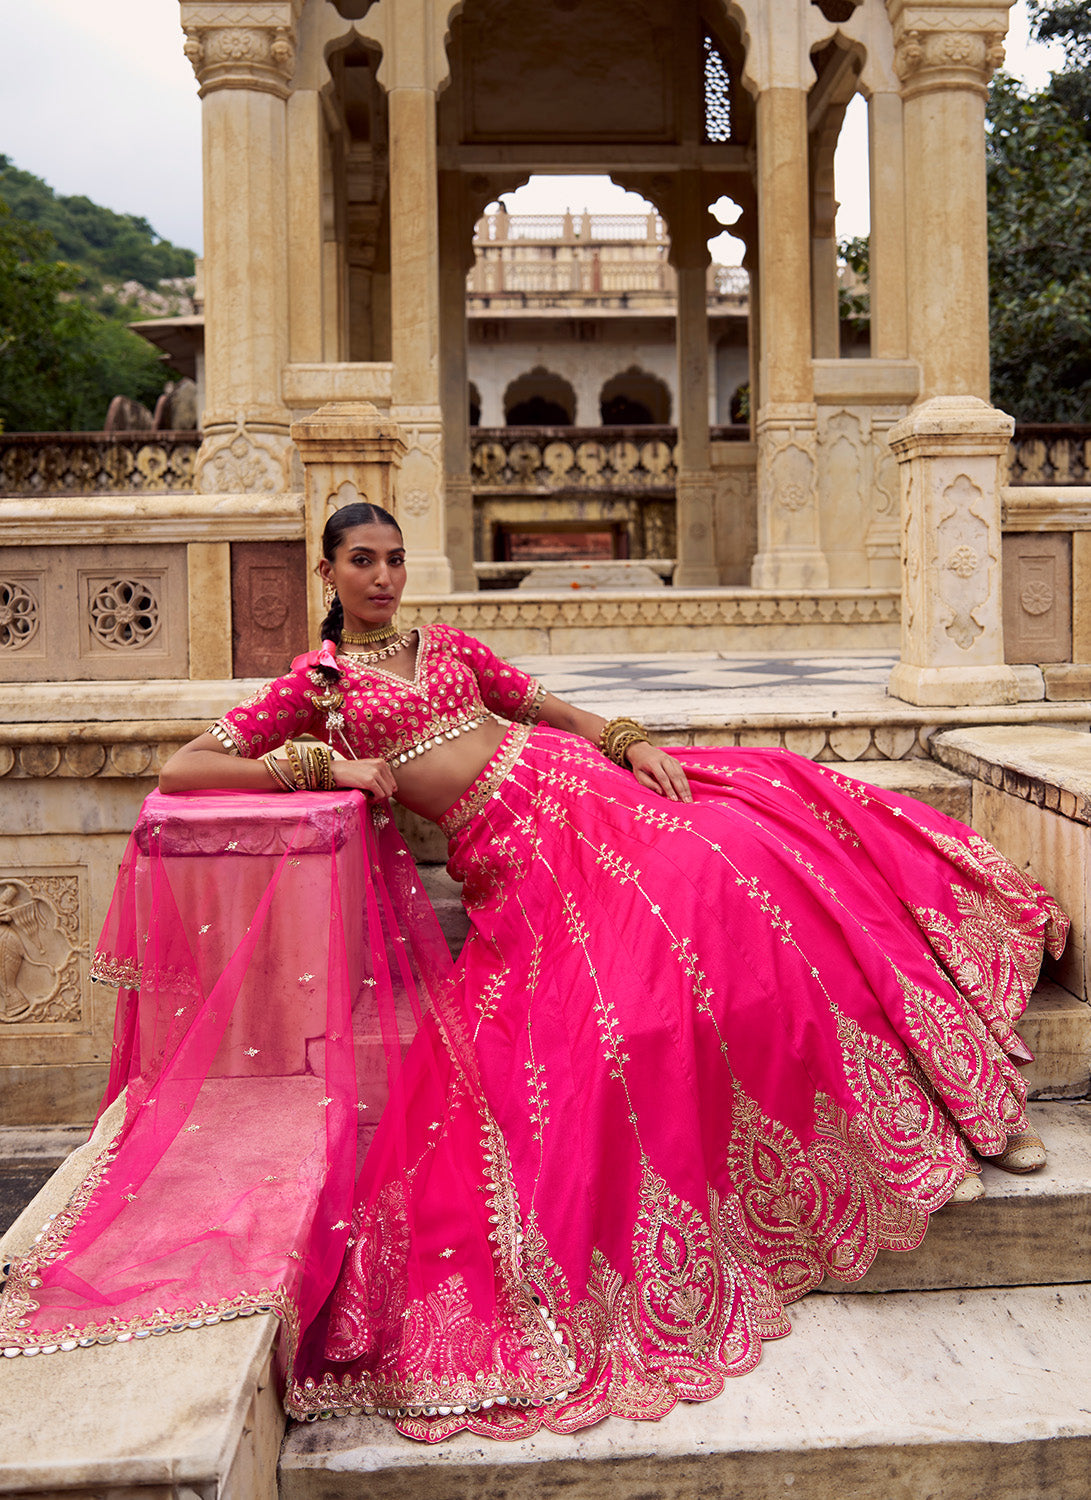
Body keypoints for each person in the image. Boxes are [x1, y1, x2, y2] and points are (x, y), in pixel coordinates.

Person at [0, 502, 1066, 1443]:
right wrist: (322, 761)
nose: (380, 577)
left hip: (578, 790)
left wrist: (628, 734)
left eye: (393, 559)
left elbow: (542, 705)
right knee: (651, 980)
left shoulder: (449, 645)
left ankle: (956, 1099)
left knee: (743, 859)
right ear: (325, 576)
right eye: (360, 561)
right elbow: (185, 764)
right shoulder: (315, 687)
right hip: (512, 855)